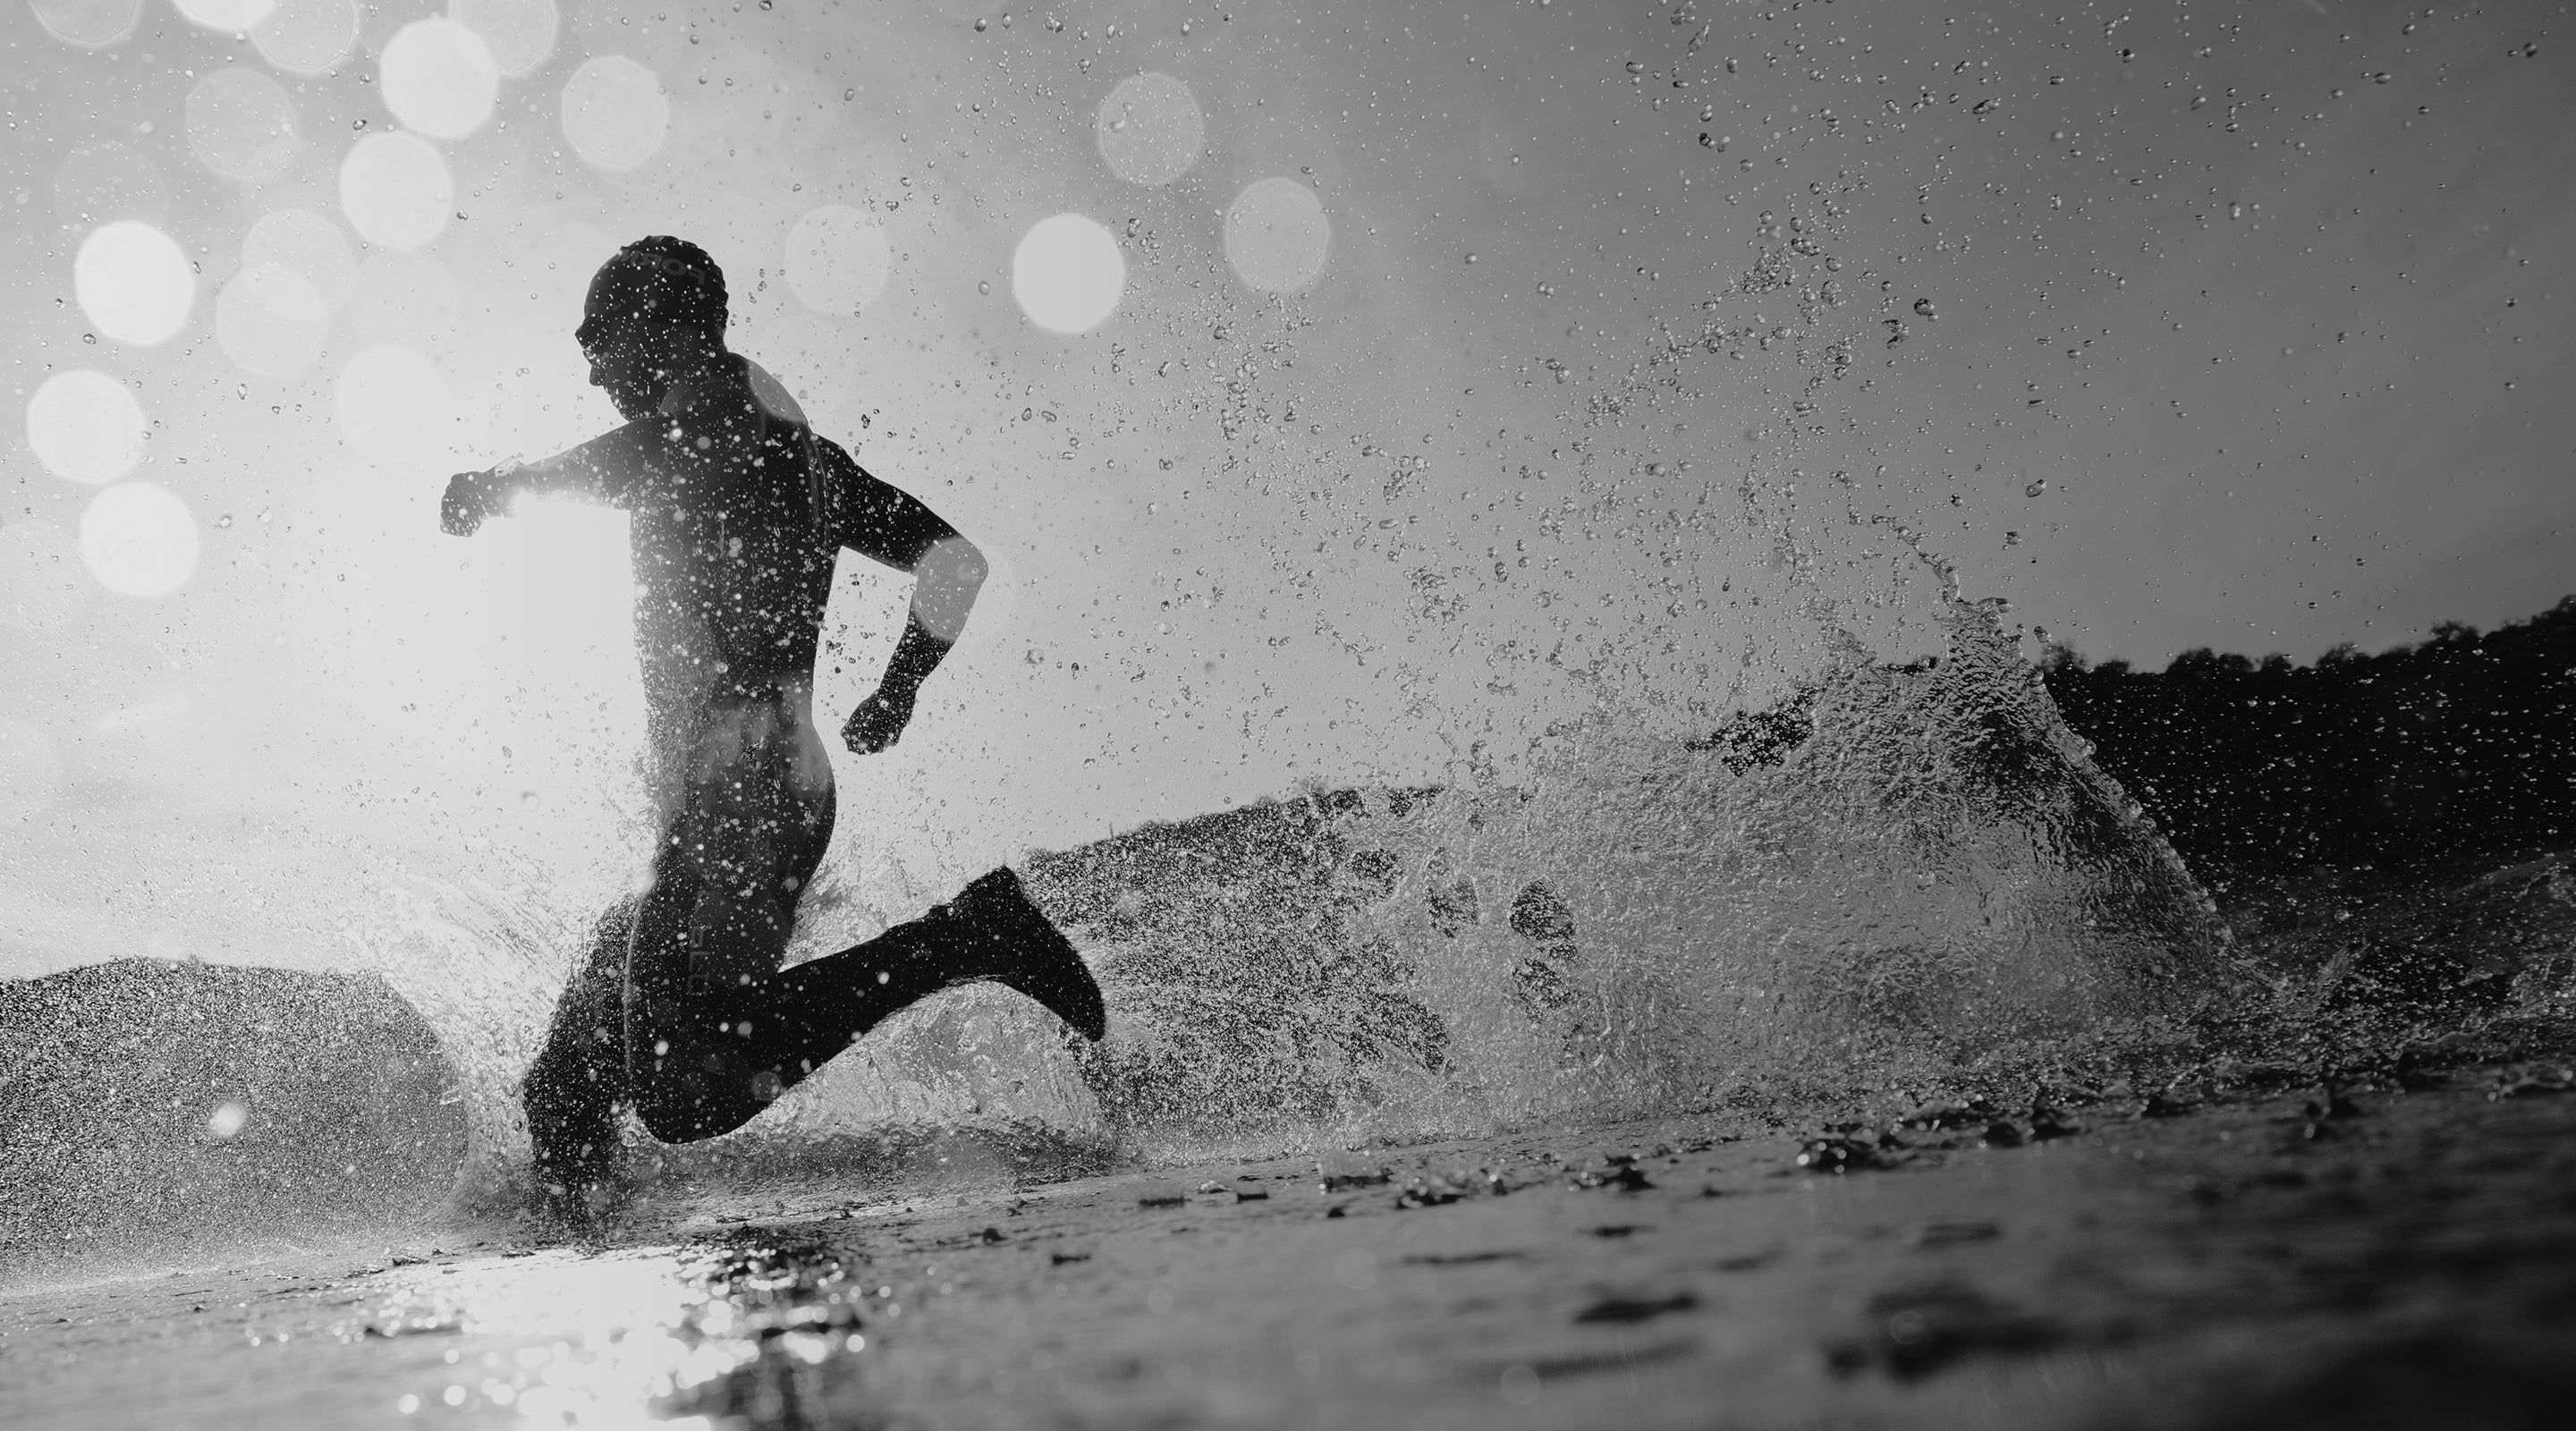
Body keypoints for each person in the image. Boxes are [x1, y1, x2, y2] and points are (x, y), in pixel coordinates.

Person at [439, 236, 1105, 1212]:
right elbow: (953, 562)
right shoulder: (805, 457)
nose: (589, 364)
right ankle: (588, 1283)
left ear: (666, 327)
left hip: (747, 802)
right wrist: (898, 686)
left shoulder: (699, 440)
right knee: (566, 1091)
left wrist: (493, 490)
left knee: (678, 1088)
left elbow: (623, 465)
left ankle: (966, 937)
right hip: (740, 795)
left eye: (598, 337)